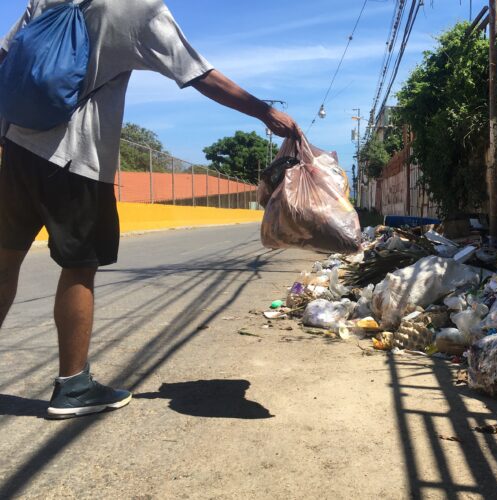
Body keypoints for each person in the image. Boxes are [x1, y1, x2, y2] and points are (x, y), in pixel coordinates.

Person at [0, 0, 301, 419]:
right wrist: (265, 112)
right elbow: (200, 74)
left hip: (16, 146)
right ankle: (73, 387)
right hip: (76, 158)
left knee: (5, 257)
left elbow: (5, 56)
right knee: (79, 266)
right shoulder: (140, 9)